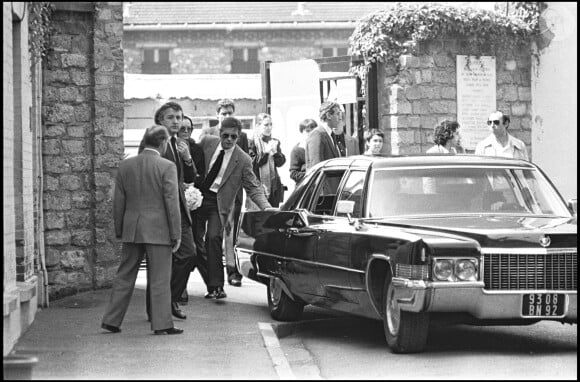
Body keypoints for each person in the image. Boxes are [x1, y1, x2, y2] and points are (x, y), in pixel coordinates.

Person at [101, 125, 183, 335]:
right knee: (159, 278)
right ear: (163, 142)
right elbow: (171, 203)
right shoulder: (167, 166)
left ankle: (112, 320)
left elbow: (118, 202)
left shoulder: (126, 166)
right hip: (159, 230)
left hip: (132, 228)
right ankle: (162, 324)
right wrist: (176, 234)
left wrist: (120, 229)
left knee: (125, 275)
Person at [196, 117, 272, 299]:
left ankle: (216, 286)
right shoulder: (207, 142)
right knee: (193, 244)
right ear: (219, 133)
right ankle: (194, 285)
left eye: (233, 136)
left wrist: (266, 208)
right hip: (197, 197)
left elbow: (253, 186)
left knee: (214, 237)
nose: (229, 139)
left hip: (218, 202)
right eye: (225, 135)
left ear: (238, 137)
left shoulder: (243, 159)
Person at [139, 102, 196, 320]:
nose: (176, 121)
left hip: (180, 210)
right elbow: (145, 173)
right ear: (160, 121)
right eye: (170, 117)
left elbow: (189, 178)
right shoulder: (151, 141)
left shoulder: (179, 144)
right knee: (159, 261)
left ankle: (169, 299)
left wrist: (188, 158)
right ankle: (156, 308)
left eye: (179, 117)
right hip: (159, 211)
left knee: (189, 255)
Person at [201, 99, 248, 287]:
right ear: (217, 116)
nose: (228, 116)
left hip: (232, 193)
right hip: (208, 195)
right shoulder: (207, 136)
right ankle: (212, 273)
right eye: (224, 113)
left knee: (229, 232)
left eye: (231, 113)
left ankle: (231, 270)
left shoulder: (240, 136)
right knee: (211, 235)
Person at [176, 115, 208, 305]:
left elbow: (198, 175)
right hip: (175, 202)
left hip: (192, 203)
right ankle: (180, 289)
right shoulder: (170, 147)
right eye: (183, 129)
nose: (186, 132)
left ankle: (209, 285)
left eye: (189, 129)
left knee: (194, 246)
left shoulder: (195, 149)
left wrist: (192, 191)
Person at [248, 113, 287, 208]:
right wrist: (265, 152)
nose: (269, 127)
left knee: (272, 217)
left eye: (271, 124)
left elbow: (280, 163)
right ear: (258, 126)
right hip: (257, 187)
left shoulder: (274, 141)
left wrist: (275, 153)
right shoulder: (251, 142)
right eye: (266, 125)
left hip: (273, 186)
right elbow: (253, 164)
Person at [305, 101, 343, 169]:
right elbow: (316, 167)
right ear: (328, 115)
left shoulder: (330, 135)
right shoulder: (317, 135)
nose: (340, 118)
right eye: (337, 114)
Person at [289, 118, 317, 184]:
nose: (310, 133)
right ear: (302, 131)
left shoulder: (317, 146)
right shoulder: (296, 150)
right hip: (304, 186)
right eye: (307, 131)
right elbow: (293, 174)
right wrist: (310, 174)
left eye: (313, 131)